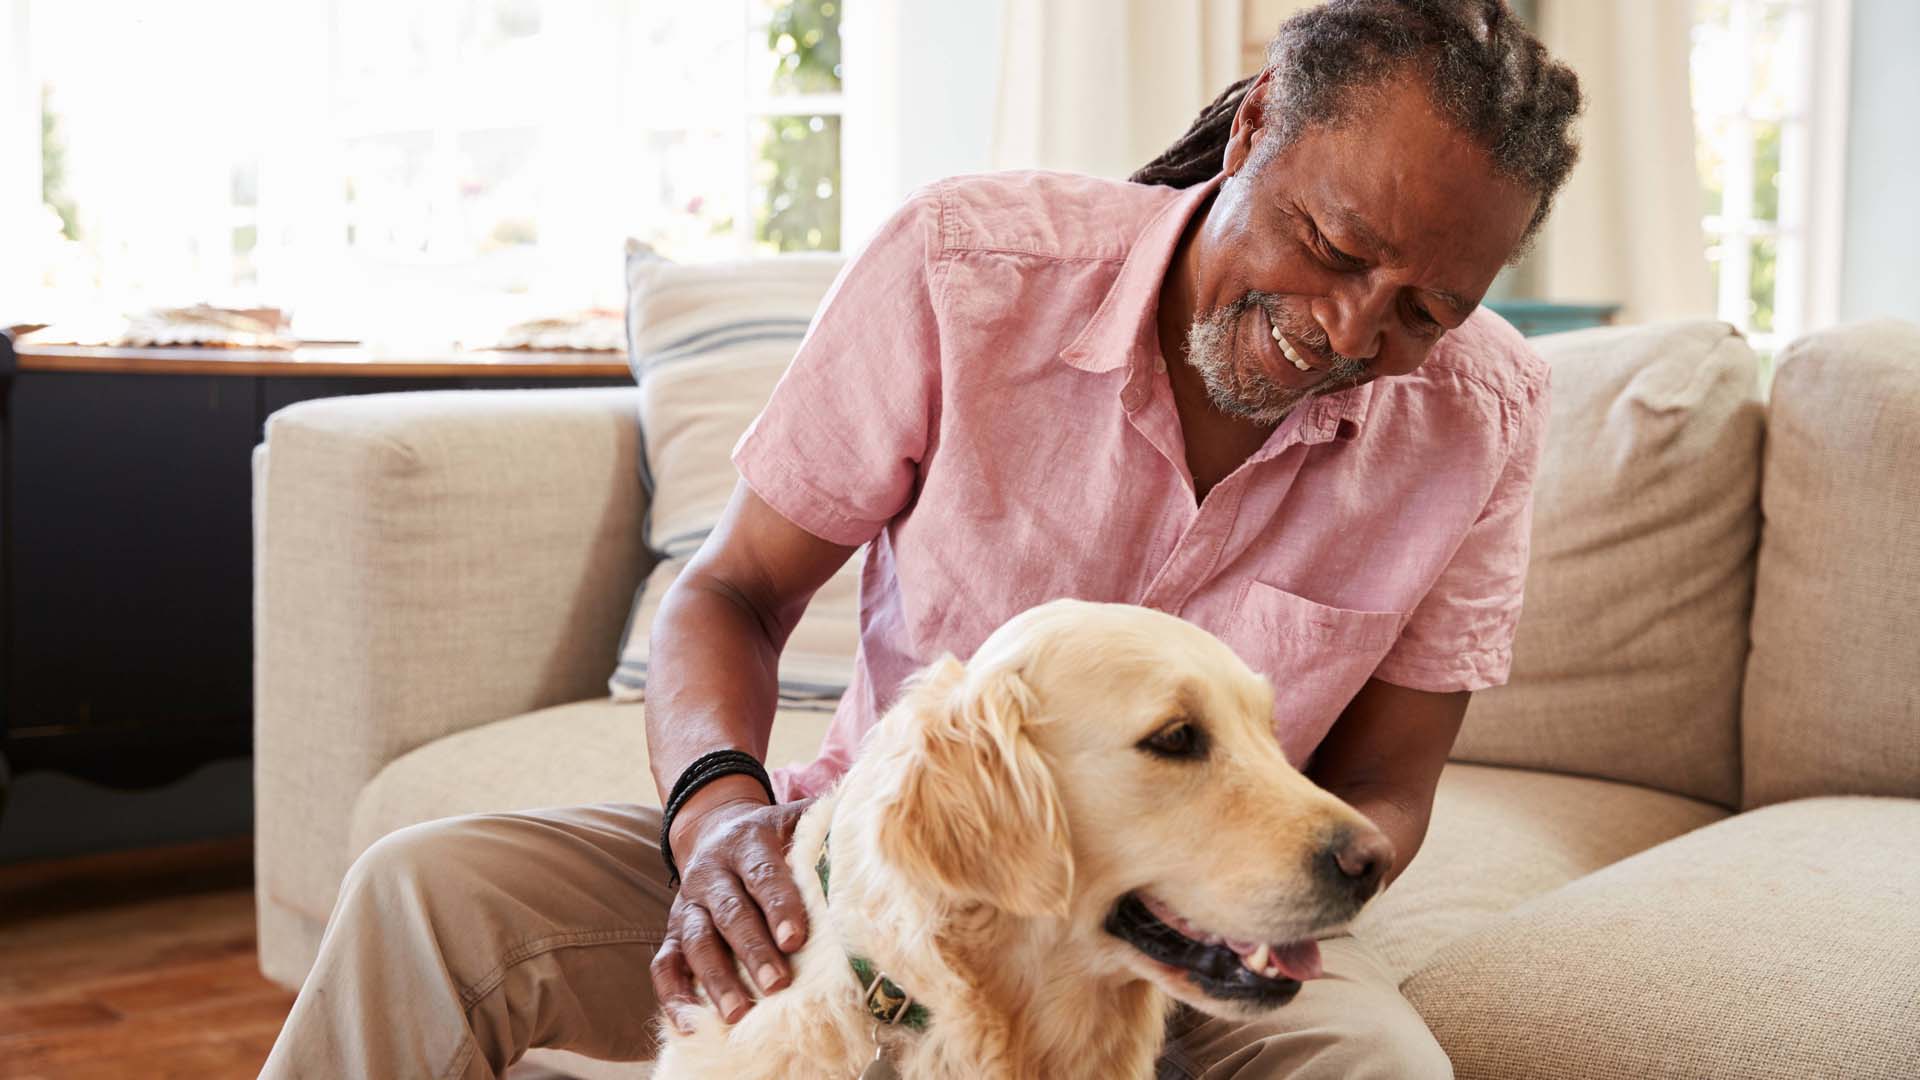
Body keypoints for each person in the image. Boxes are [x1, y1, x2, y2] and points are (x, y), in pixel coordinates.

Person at [260, 1, 1582, 1076]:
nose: (1353, 332)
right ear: (1247, 139)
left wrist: (1229, 910)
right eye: (1334, 246)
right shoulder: (967, 268)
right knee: (424, 899)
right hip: (874, 864)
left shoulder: (1483, 417)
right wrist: (718, 823)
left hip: (1193, 928)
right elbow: (729, 592)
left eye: (1425, 309)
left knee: (1380, 1072)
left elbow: (1392, 780)